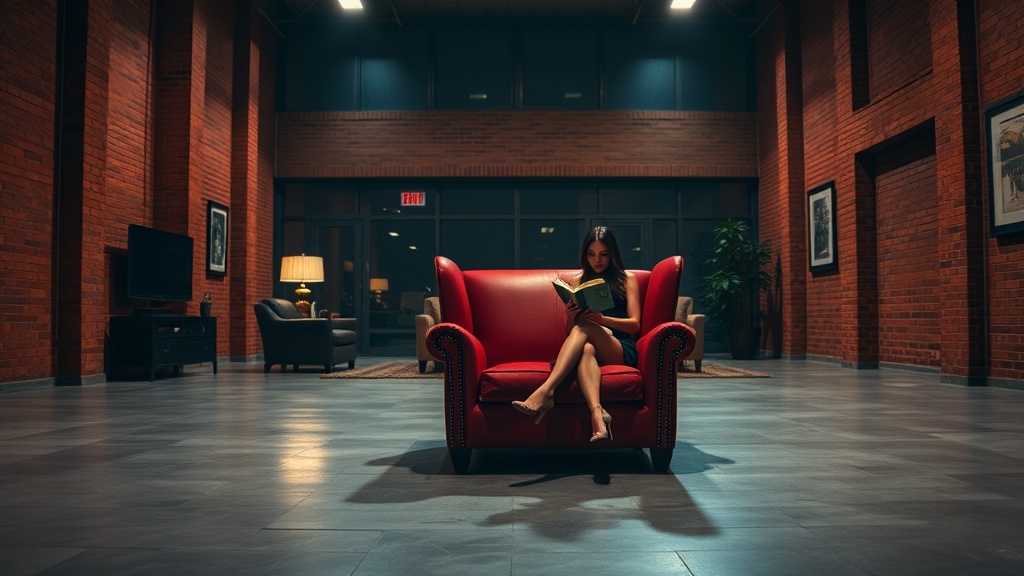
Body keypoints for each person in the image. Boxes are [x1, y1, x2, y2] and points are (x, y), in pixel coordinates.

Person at [511, 226, 641, 442]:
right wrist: (571, 317)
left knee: (586, 328)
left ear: (613, 254)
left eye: (603, 255)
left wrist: (602, 320)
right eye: (591, 254)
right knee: (586, 347)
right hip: (588, 341)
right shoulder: (577, 282)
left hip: (618, 345)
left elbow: (635, 325)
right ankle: (597, 416)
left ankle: (546, 391)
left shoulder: (627, 279)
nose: (597, 260)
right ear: (585, 255)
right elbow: (571, 333)